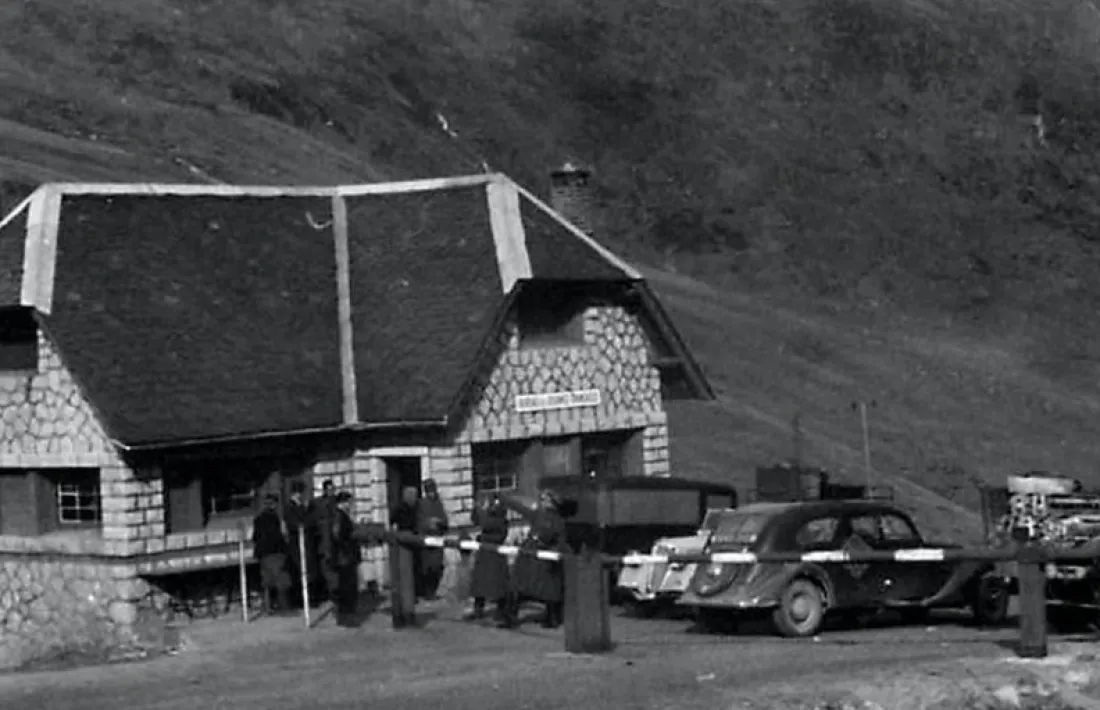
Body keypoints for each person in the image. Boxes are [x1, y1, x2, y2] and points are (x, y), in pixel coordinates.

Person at [505, 490, 568, 629]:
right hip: (530, 556)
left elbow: (549, 535)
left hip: (545, 557)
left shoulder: (556, 519)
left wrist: (540, 539)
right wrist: (507, 501)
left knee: (549, 588)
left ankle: (552, 618)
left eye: (544, 498)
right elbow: (523, 510)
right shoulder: (539, 514)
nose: (541, 500)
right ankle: (510, 616)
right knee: (517, 584)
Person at [467, 493, 510, 623]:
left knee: (499, 584)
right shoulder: (487, 515)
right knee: (480, 583)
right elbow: (476, 520)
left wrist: (483, 538)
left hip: (495, 554)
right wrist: (476, 508)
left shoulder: (500, 520)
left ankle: (501, 610)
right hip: (485, 553)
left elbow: (497, 533)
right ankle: (478, 608)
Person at [252, 494, 292, 615]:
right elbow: (276, 537)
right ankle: (284, 608)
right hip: (274, 552)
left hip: (262, 554)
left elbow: (255, 537)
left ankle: (268, 607)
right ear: (274, 504)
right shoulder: (274, 518)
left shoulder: (258, 518)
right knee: (281, 580)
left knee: (267, 581)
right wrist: (285, 548)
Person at [331, 491, 363, 627]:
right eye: (350, 502)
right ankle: (346, 618)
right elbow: (338, 535)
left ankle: (346, 617)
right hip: (345, 557)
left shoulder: (341, 516)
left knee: (347, 588)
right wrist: (350, 540)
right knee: (347, 588)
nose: (351, 505)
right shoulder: (339, 516)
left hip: (345, 557)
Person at [283, 480, 316, 607]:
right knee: (299, 571)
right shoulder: (290, 508)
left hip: (306, 543)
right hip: (297, 544)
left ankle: (309, 598)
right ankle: (299, 600)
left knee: (309, 570)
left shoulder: (300, 506)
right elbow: (297, 524)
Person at [417, 479, 449, 601]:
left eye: (433, 490)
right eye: (429, 490)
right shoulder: (422, 504)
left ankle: (433, 591)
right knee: (426, 568)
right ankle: (427, 592)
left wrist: (439, 522)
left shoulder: (438, 503)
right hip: (426, 541)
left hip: (437, 539)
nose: (432, 493)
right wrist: (428, 524)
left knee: (437, 567)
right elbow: (419, 522)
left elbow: (445, 521)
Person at [309, 479, 339, 604]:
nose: (331, 492)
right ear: (325, 490)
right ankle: (331, 592)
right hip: (324, 543)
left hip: (336, 543)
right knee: (326, 569)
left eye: (333, 489)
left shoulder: (337, 503)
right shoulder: (319, 504)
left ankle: (335, 592)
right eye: (329, 489)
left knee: (334, 570)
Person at [390, 486, 423, 598]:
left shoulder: (416, 507)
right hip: (404, 540)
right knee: (406, 570)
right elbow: (392, 521)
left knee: (416, 567)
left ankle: (416, 592)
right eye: (413, 496)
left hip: (414, 539)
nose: (415, 498)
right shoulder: (400, 508)